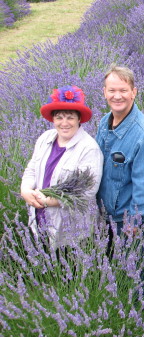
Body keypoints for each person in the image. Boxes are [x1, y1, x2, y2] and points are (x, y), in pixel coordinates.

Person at [21, 85, 103, 247]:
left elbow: (87, 191)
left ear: (79, 119)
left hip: (71, 233)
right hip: (39, 221)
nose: (64, 123)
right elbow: (32, 168)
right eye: (59, 117)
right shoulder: (45, 138)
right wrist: (25, 190)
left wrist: (48, 201)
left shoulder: (89, 148)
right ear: (53, 119)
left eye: (70, 117)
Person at [96, 65, 144, 234]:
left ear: (134, 92)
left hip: (125, 223)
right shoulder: (105, 123)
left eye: (123, 90)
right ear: (104, 92)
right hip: (102, 217)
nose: (117, 96)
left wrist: (135, 221)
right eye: (112, 90)